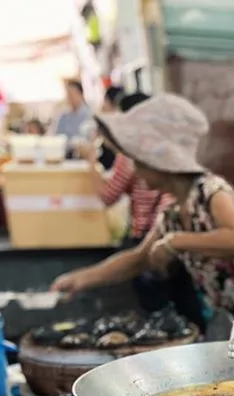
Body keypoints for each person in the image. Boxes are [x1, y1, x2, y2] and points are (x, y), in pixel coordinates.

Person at [51, 93, 234, 337]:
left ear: (159, 161)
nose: (134, 170)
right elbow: (138, 259)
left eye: (138, 160)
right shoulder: (173, 214)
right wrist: (82, 279)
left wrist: (177, 242)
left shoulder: (212, 190)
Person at [77, 92, 181, 314]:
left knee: (158, 310)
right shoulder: (170, 148)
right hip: (169, 238)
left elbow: (107, 196)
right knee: (179, 308)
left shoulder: (131, 154)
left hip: (148, 237)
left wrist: (91, 162)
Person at [52, 80, 92, 150]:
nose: (70, 98)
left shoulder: (89, 115)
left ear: (81, 95)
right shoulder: (63, 116)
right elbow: (57, 137)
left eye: (72, 94)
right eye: (68, 94)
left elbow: (88, 140)